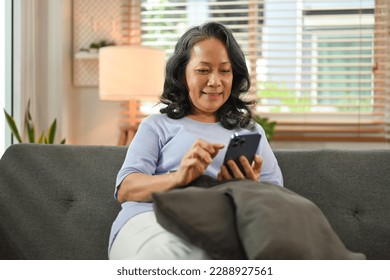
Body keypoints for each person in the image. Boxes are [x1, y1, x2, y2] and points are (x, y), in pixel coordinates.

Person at [108, 21, 283, 260]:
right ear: (182, 73)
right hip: (152, 220)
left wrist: (248, 191)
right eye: (203, 70)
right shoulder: (157, 125)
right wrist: (179, 178)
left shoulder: (250, 132)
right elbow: (125, 189)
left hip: (220, 225)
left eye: (224, 70)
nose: (215, 81)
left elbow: (278, 202)